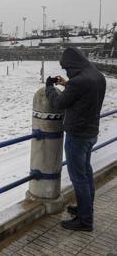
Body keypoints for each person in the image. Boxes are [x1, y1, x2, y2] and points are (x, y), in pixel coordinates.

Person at [45, 47, 106, 231]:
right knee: (86, 174)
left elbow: (58, 103)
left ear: (71, 64)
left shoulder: (78, 82)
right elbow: (82, 95)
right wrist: (67, 84)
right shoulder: (97, 76)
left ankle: (85, 220)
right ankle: (84, 209)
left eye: (66, 68)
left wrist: (50, 88)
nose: (66, 72)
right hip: (91, 133)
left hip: (77, 136)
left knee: (79, 178)